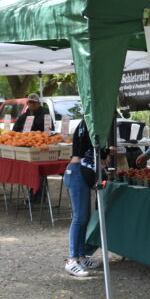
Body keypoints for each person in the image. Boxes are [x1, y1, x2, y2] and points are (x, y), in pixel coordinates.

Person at [64, 118, 114, 277]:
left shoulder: (90, 122)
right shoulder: (90, 122)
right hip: (77, 171)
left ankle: (81, 256)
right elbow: (92, 148)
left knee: (84, 217)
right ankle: (72, 260)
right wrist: (106, 152)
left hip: (81, 172)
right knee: (79, 217)